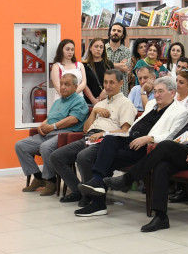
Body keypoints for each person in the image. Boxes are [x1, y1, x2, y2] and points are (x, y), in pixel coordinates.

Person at [91, 79, 188, 232]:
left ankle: (129, 178)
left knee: (164, 145)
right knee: (161, 165)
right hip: (181, 151)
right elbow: (175, 134)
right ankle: (161, 217)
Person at [74, 75, 188, 217]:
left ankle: (98, 202)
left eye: (160, 91)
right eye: (155, 91)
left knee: (105, 158)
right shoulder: (151, 104)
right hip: (129, 139)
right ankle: (98, 183)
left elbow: (172, 137)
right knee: (109, 140)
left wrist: (149, 138)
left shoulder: (180, 111)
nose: (156, 95)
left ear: (172, 92)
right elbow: (136, 125)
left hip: (147, 148)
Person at [50, 69, 137, 204]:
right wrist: (95, 110)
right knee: (56, 156)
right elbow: (85, 129)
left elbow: (125, 131)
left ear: (121, 83)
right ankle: (79, 191)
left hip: (106, 141)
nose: (108, 86)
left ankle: (90, 195)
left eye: (112, 83)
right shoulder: (101, 103)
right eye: (105, 82)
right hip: (89, 137)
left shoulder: (126, 104)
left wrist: (103, 133)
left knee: (83, 156)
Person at [16, 72, 88, 196]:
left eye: (67, 84)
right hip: (47, 133)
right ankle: (39, 178)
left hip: (64, 136)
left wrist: (53, 127)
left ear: (75, 87)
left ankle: (51, 181)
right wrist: (42, 125)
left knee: (45, 147)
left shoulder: (79, 101)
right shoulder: (58, 101)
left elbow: (73, 119)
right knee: (20, 145)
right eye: (61, 84)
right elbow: (50, 118)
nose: (63, 87)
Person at [80, 37, 109, 105]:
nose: (98, 49)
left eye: (101, 47)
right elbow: (84, 84)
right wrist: (93, 100)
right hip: (89, 102)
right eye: (96, 46)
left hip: (107, 100)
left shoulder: (108, 64)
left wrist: (105, 91)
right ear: (90, 48)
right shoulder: (83, 65)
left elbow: (113, 80)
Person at [105, 22, 132, 94]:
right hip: (104, 90)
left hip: (121, 91)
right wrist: (119, 65)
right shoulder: (102, 49)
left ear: (123, 35)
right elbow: (101, 67)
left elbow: (124, 67)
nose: (116, 32)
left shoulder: (126, 51)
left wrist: (107, 64)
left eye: (119, 31)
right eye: (114, 30)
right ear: (110, 32)